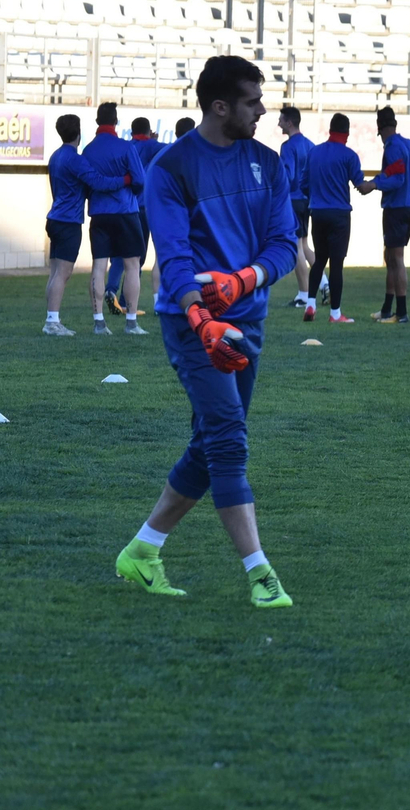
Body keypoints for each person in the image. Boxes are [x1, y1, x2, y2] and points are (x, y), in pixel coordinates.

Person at [113, 54, 298, 608]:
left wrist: (242, 281)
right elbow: (173, 260)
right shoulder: (171, 168)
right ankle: (260, 575)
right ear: (220, 107)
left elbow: (283, 245)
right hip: (192, 324)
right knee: (228, 439)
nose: (262, 111)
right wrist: (202, 318)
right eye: (251, 102)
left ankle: (142, 551)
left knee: (211, 440)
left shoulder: (268, 163)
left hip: (248, 318)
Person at [42, 113, 135, 336]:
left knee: (55, 273)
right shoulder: (75, 159)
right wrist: (125, 180)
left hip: (54, 218)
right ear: (79, 133)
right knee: (63, 273)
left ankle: (51, 318)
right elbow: (98, 182)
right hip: (69, 221)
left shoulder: (55, 156)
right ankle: (52, 322)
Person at [81, 102, 148, 336]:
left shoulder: (88, 150)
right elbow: (140, 180)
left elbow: (86, 183)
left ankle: (99, 322)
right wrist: (128, 190)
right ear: (116, 121)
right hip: (126, 212)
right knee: (132, 266)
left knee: (99, 266)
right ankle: (131, 322)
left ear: (97, 121)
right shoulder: (126, 147)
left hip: (99, 214)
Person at [303, 112, 367, 323]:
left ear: (330, 129)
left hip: (317, 212)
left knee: (319, 260)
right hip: (339, 214)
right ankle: (335, 313)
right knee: (336, 264)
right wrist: (379, 183)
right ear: (347, 133)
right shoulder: (349, 156)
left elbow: (303, 184)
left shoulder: (314, 152)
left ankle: (310, 304)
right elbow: (360, 185)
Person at [362, 106, 410, 323]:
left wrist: (374, 184)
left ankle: (401, 313)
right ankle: (387, 308)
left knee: (396, 259)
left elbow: (397, 179)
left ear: (379, 127)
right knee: (390, 256)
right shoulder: (408, 143)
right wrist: (378, 178)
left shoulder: (392, 147)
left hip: (397, 207)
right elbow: (397, 172)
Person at [105, 116, 167, 313]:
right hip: (142, 209)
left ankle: (111, 289)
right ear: (148, 131)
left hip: (121, 207)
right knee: (136, 258)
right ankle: (126, 302)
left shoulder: (125, 147)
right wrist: (154, 140)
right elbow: (172, 149)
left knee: (118, 254)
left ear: (131, 131)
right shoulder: (150, 146)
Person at [276, 104, 322, 310]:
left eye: (281, 120)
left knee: (296, 247)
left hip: (293, 200)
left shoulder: (288, 147)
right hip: (308, 200)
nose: (278, 123)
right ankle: (325, 284)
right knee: (303, 244)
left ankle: (304, 294)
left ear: (289, 122)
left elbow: (288, 176)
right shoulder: (311, 145)